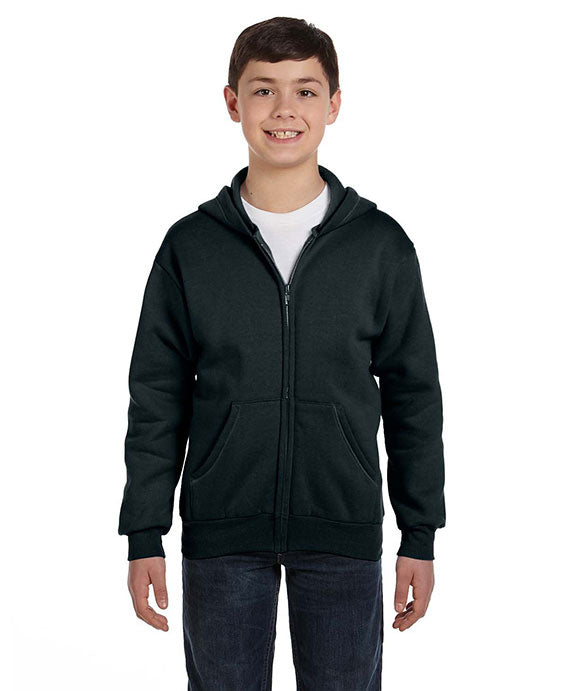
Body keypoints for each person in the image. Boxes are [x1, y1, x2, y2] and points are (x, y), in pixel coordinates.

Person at [118, 16, 446, 690]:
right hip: (222, 533)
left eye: (305, 90)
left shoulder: (380, 246)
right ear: (232, 102)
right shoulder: (191, 247)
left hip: (342, 527)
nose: (284, 109)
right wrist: (144, 530)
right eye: (264, 90)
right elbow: (157, 394)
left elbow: (414, 396)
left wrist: (419, 533)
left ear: (334, 104)